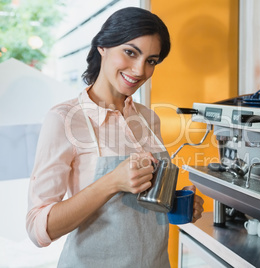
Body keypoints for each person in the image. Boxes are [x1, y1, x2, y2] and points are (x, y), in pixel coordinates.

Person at [26, 7, 204, 267]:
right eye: (130, 52)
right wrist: (111, 182)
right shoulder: (65, 119)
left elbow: (139, 206)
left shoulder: (148, 118)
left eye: (151, 60)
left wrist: (173, 200)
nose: (140, 70)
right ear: (103, 46)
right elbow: (38, 229)